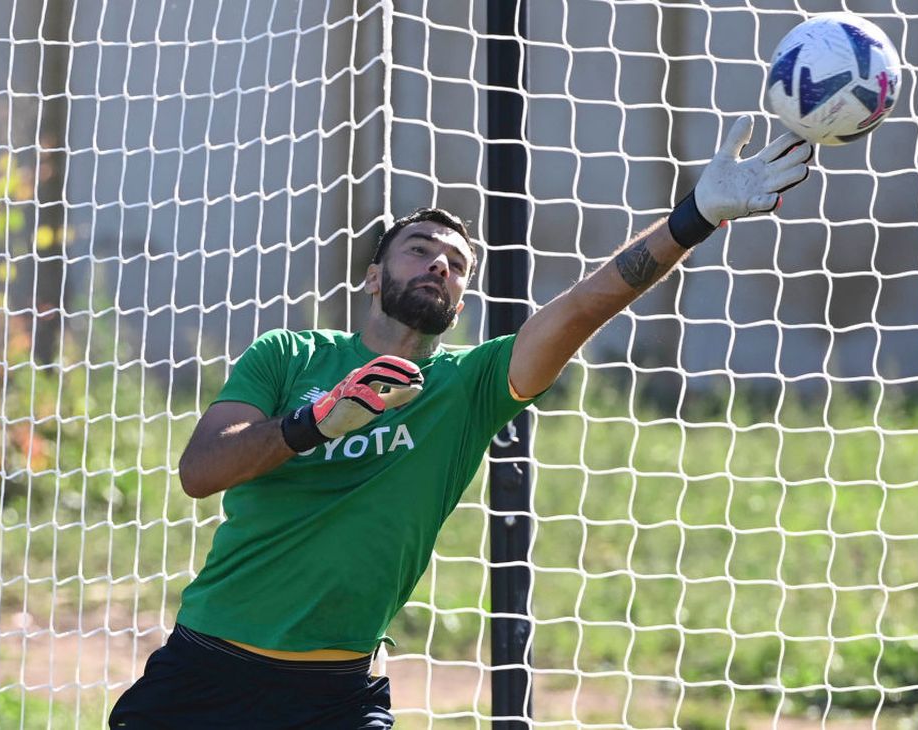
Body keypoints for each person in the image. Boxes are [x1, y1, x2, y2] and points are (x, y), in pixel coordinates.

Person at [108, 115, 812, 728]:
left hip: (334, 695)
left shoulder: (471, 383)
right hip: (208, 668)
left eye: (457, 264)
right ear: (373, 276)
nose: (440, 265)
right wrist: (317, 421)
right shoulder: (290, 355)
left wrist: (696, 216)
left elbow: (581, 305)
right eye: (419, 249)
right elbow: (201, 472)